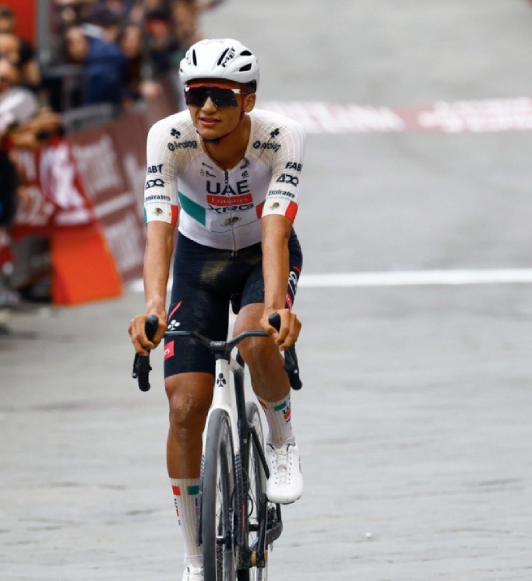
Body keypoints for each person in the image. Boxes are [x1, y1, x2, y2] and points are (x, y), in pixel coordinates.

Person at [126, 39, 305, 581]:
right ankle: (192, 552)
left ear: (246, 101)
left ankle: (282, 441)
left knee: (254, 336)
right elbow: (159, 230)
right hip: (196, 258)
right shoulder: (169, 136)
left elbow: (276, 231)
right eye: (195, 94)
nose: (205, 107)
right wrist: (153, 307)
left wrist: (276, 307)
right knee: (183, 406)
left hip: (260, 255)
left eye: (219, 96)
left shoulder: (279, 137)